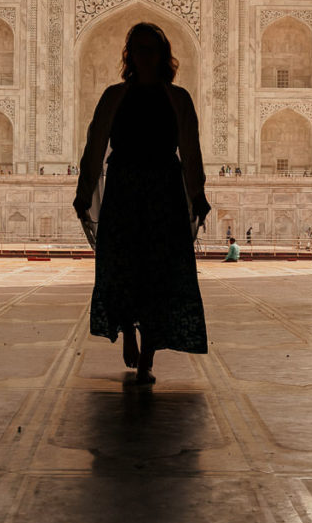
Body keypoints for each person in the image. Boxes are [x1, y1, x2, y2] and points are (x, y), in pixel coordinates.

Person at [74, 22, 210, 386]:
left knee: (158, 273)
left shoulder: (177, 98)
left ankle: (147, 356)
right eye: (139, 48)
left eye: (152, 49)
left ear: (163, 55)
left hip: (163, 190)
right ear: (129, 54)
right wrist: (84, 191)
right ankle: (130, 335)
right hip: (125, 189)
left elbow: (191, 150)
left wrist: (197, 194)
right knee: (124, 267)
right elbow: (95, 146)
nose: (145, 55)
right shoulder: (114, 96)